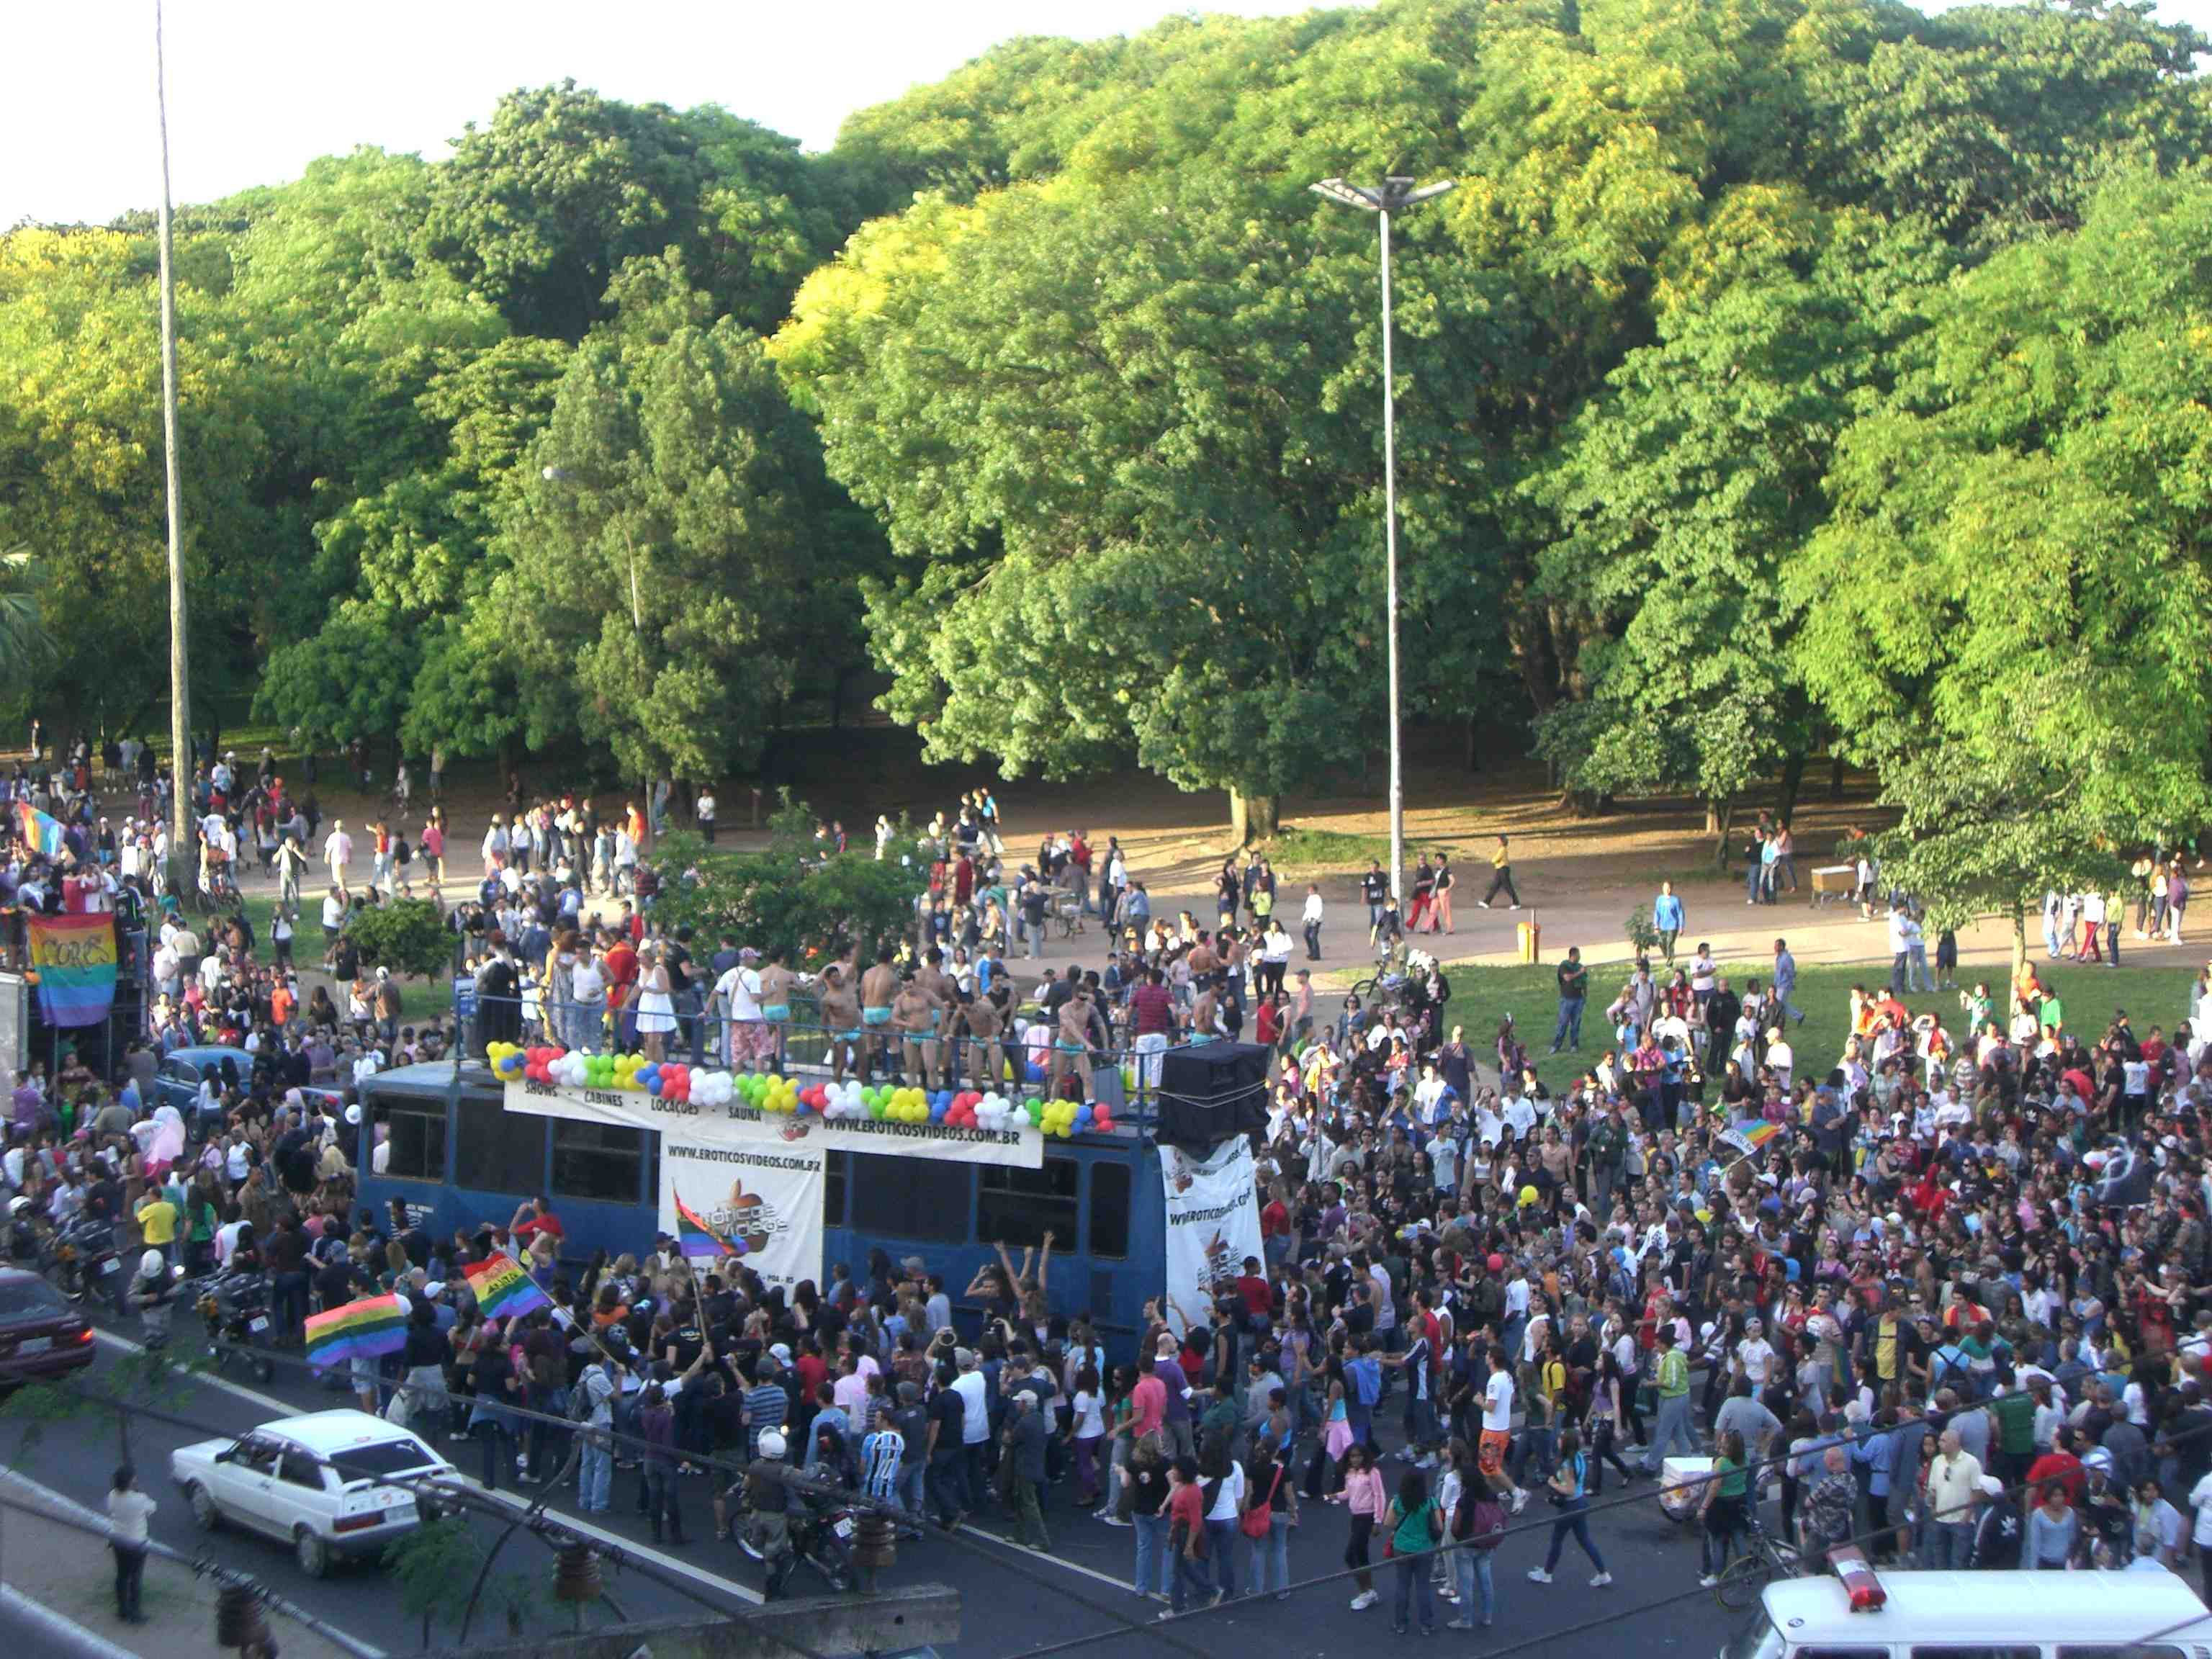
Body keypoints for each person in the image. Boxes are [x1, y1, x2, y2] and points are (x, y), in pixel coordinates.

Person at [1526, 1427, 1611, 1587]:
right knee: (1584, 1540)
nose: (1558, 1439)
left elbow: (1569, 1490)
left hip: (1570, 1506)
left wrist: (1553, 1484)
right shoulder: (1579, 1457)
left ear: (1565, 1444)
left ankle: (1547, 1574)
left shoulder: (1567, 1465)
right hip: (1581, 1502)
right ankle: (1603, 1573)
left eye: (1561, 1438)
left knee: (1557, 1540)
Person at [1382, 1465, 1443, 1636]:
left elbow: (1388, 1523)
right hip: (1425, 1548)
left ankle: (1400, 1623)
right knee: (1423, 1587)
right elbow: (1440, 1526)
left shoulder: (1397, 1501)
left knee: (1403, 1585)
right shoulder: (1430, 1502)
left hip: (1402, 1547)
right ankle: (1426, 1625)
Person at [1698, 1428, 1752, 1586]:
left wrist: (1704, 1507)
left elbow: (1714, 1487)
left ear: (1729, 1446)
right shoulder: (1745, 1459)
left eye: (1723, 1441)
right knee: (1739, 1538)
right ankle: (1745, 1573)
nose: (1720, 1443)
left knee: (1717, 1541)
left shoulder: (1721, 1463)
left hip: (1720, 1505)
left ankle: (1717, 1575)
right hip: (1739, 1502)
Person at [107, 1465, 156, 1624]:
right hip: (136, 1542)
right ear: (130, 1481)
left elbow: (110, 1509)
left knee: (121, 1575)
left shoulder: (112, 1495)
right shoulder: (140, 1499)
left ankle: (122, 1609)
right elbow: (152, 1508)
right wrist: (139, 1492)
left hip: (118, 1539)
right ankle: (135, 1613)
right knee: (136, 1577)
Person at [1343, 1440, 1385, 1611]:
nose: (1355, 1459)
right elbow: (1349, 1493)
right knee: (1361, 1555)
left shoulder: (1372, 1472)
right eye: (1352, 1456)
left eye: (1358, 1456)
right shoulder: (1350, 1473)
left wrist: (1378, 1520)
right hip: (1355, 1517)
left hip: (1367, 1517)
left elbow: (1379, 1495)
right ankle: (1369, 1591)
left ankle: (1365, 1591)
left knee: (1351, 1556)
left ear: (1364, 1457)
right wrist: (1334, 1496)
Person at [2026, 1479, 2078, 1568]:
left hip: (2064, 1563)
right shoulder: (2038, 1514)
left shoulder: (2070, 1513)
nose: (2059, 1499)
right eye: (2055, 1496)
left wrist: (2071, 1561)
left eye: (2061, 1495)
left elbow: (2072, 1538)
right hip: (2044, 1562)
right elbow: (2035, 1543)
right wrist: (2033, 1568)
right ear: (2049, 1497)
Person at [1551, 947, 1588, 1055]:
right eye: (1578, 954)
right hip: (1567, 999)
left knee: (1576, 1023)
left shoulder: (1580, 966)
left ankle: (1574, 1045)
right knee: (1563, 1023)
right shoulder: (1564, 966)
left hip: (1579, 999)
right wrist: (1579, 972)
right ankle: (1556, 1045)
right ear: (1573, 955)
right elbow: (1567, 978)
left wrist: (1585, 995)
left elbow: (1584, 982)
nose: (1580, 957)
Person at [1478, 836, 1519, 910]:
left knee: (1508, 887)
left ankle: (1516, 904)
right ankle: (1486, 902)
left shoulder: (1503, 849)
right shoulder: (1501, 849)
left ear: (1502, 842)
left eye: (1499, 840)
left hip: (1503, 870)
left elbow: (1495, 859)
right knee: (1494, 887)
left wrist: (1493, 859)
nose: (1498, 842)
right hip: (1500, 870)